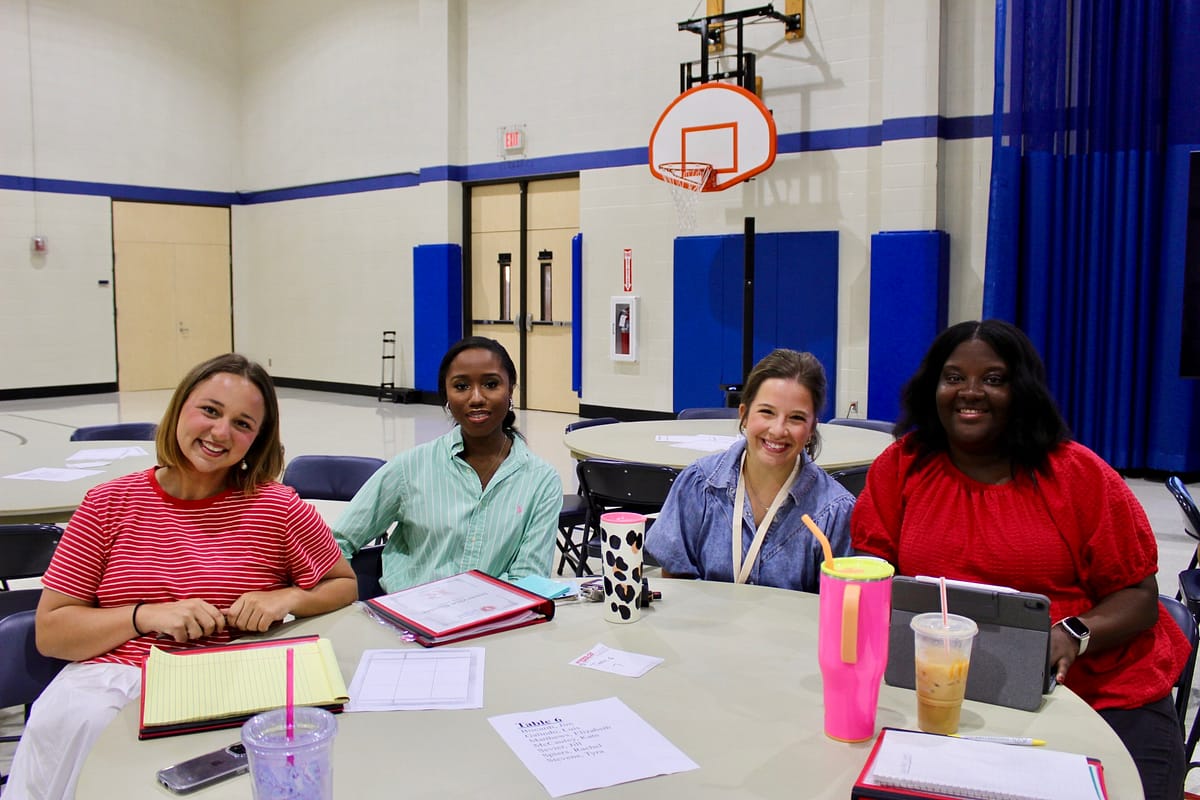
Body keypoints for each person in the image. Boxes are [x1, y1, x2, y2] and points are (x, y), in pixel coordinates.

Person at [852, 319, 1188, 800]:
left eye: (994, 379)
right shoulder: (902, 464)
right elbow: (872, 571)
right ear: (933, 387)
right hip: (939, 690)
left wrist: (1074, 633)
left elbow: (1139, 597)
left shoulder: (1079, 475)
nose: (971, 392)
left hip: (1100, 694)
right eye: (953, 378)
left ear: (1022, 390)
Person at [7, 353, 357, 800]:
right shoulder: (107, 504)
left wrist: (287, 598)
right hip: (109, 686)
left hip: (230, 685)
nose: (220, 433)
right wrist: (145, 616)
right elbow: (52, 634)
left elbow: (343, 584)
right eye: (209, 411)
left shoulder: (278, 507)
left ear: (257, 439)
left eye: (243, 424)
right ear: (179, 409)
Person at [333, 336, 562, 592]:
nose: (476, 397)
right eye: (461, 386)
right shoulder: (410, 468)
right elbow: (337, 541)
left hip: (496, 624)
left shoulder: (541, 480)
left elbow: (528, 581)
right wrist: (339, 599)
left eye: (491, 384)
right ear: (446, 395)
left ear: (510, 390)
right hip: (409, 619)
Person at [646, 349, 855, 591]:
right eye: (767, 412)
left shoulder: (835, 511)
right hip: (706, 627)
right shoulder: (698, 484)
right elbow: (675, 577)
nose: (778, 430)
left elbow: (838, 605)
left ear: (811, 429)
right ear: (744, 415)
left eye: (796, 418)